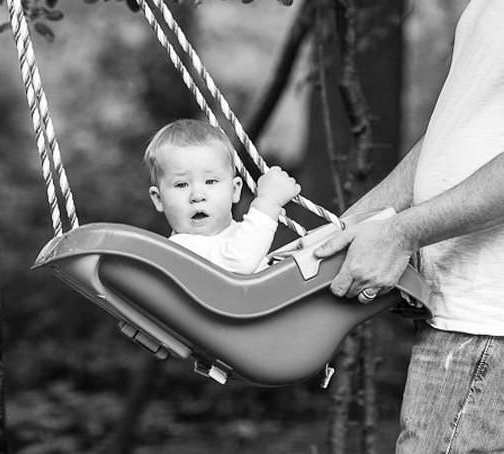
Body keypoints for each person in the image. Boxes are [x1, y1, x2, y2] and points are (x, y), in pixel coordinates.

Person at [313, 1, 504, 452]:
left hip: (486, 320)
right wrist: (341, 231)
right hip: (464, 312)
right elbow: (453, 134)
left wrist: (402, 234)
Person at [144, 119, 300, 274]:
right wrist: (267, 205)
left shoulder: (237, 235)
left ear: (234, 190)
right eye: (181, 184)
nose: (197, 196)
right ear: (159, 199)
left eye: (210, 181)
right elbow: (239, 261)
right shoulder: (181, 250)